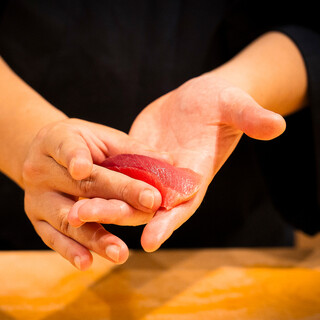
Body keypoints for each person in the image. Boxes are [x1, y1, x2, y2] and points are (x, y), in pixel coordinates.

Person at [0, 1, 319, 270]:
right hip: (31, 242)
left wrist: (241, 85)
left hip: (238, 247)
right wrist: (30, 140)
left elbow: (309, 27)